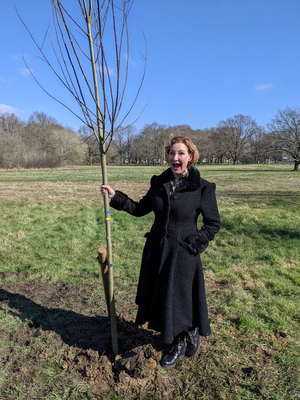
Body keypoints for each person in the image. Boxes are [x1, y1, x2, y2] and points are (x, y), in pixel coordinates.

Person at [101, 136, 221, 369]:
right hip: (157, 251)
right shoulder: (159, 183)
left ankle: (178, 340)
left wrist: (192, 244)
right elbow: (139, 209)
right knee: (164, 297)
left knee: (178, 298)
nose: (175, 158)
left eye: (181, 153)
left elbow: (212, 224)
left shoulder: (204, 188)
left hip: (184, 254)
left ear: (191, 156)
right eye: (171, 153)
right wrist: (115, 197)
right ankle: (182, 334)